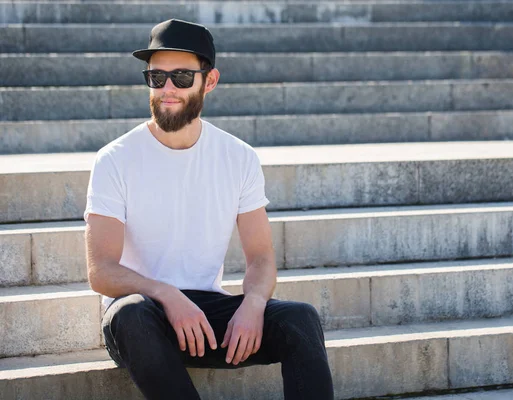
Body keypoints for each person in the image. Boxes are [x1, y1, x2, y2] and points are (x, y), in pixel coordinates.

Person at [83, 19, 334, 400]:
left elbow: (261, 257)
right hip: (143, 317)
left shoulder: (238, 157)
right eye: (156, 77)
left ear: (210, 81)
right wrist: (166, 294)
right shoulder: (115, 159)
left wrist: (253, 303)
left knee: (300, 318)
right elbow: (101, 272)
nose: (167, 89)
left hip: (205, 314)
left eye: (182, 77)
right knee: (130, 314)